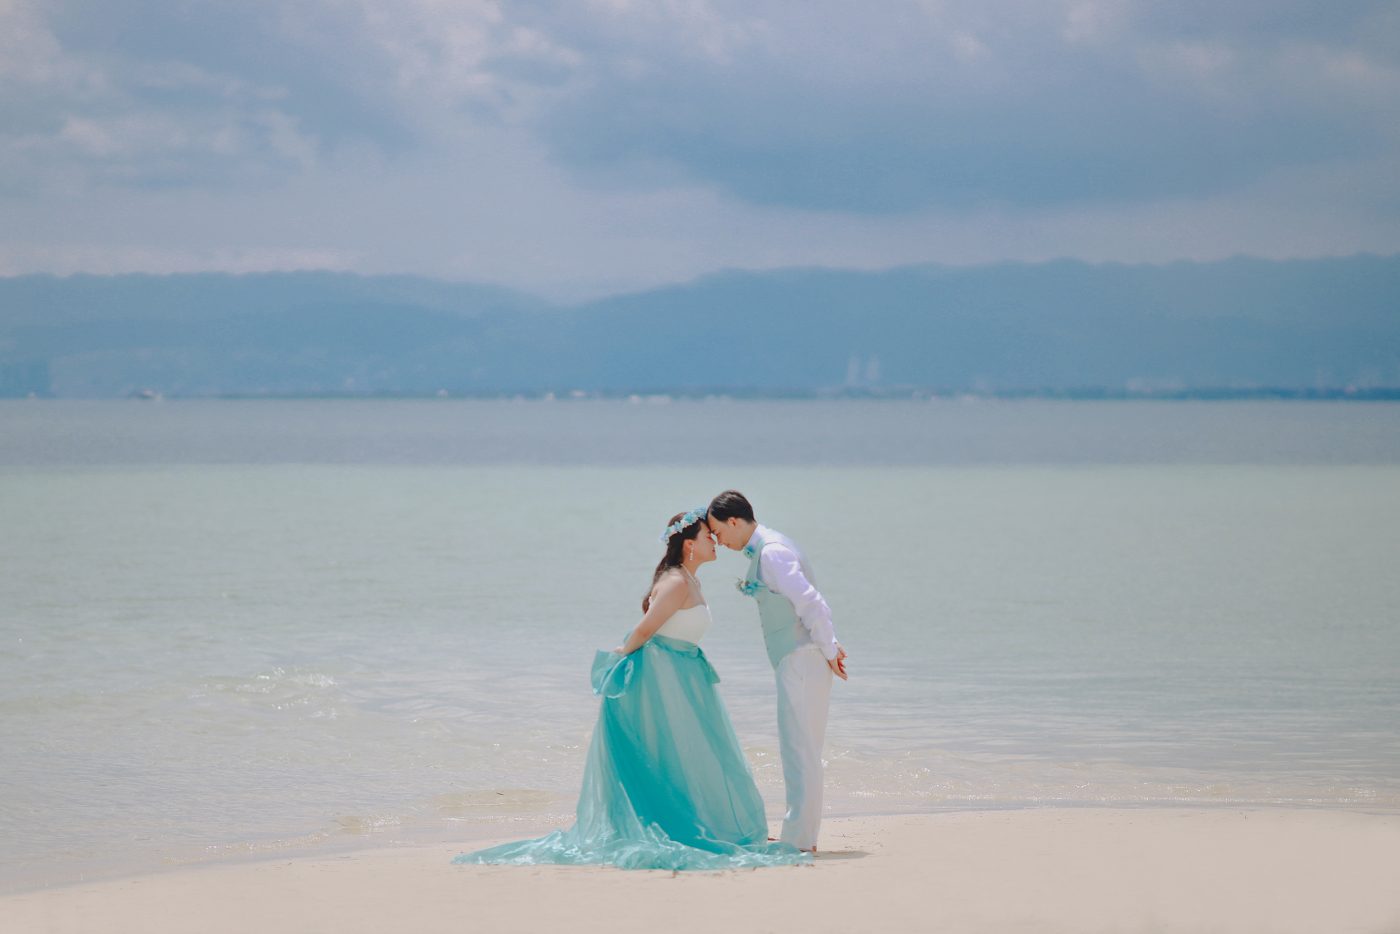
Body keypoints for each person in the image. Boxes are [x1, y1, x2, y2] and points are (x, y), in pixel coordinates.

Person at [453, 507, 808, 871]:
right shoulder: (676, 582)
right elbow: (643, 630)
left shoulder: (690, 579)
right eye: (707, 536)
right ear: (689, 544)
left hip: (684, 681)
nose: (714, 540)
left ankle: (711, 824)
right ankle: (683, 826)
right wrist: (617, 662)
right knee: (674, 757)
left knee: (694, 758)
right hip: (662, 681)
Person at [706, 490, 846, 853]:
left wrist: (830, 649)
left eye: (718, 532)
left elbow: (811, 601)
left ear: (734, 521)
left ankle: (799, 841)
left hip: (801, 658)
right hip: (800, 657)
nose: (718, 541)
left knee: (799, 750)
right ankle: (802, 837)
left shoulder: (772, 552)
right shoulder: (769, 548)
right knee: (803, 749)